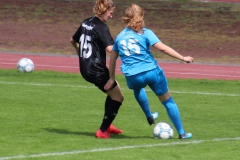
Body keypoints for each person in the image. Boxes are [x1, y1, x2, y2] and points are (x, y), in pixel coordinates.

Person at [104, 4, 194, 139]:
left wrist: (111, 78)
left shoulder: (120, 37)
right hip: (152, 72)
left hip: (133, 76)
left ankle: (149, 115)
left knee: (138, 89)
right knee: (168, 101)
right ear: (140, 17)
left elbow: (112, 60)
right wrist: (183, 58)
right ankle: (182, 133)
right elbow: (162, 48)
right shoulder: (145, 32)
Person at [70, 0, 124, 139]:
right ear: (105, 10)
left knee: (114, 88)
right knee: (118, 97)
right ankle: (103, 130)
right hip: (96, 69)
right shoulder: (102, 27)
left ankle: (109, 124)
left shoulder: (85, 22)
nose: (111, 16)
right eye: (111, 13)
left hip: (85, 68)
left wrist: (81, 56)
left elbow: (73, 40)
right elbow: (110, 49)